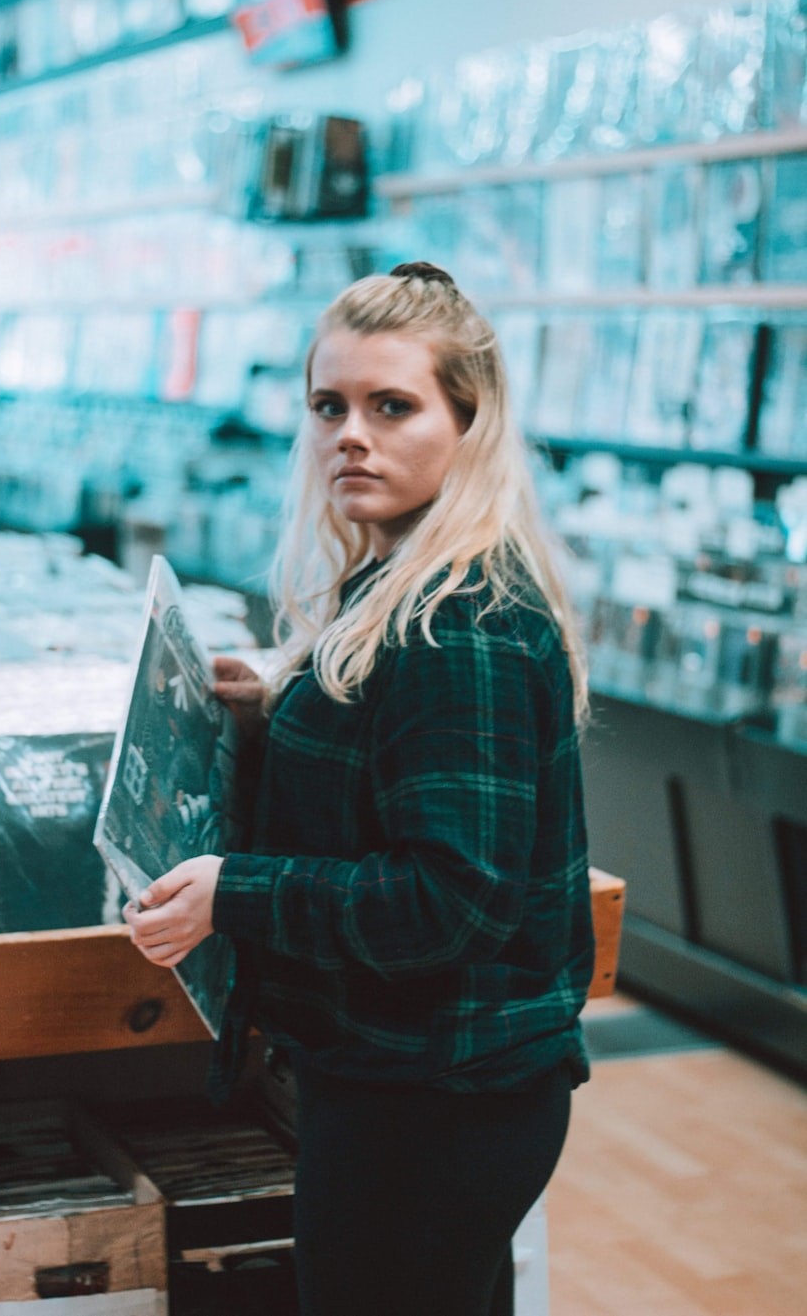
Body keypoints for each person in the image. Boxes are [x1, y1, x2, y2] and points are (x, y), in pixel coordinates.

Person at [123, 261, 595, 1316]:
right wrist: (280, 711)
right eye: (328, 406)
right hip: (421, 1084)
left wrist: (233, 892)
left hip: (436, 1102)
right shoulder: (401, 581)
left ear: (469, 422)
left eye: (392, 406)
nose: (350, 436)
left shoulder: (455, 622)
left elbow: (448, 900)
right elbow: (394, 776)